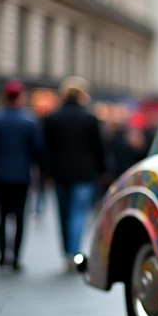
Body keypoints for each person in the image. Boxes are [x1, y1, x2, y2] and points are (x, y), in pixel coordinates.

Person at [43, 77, 106, 270]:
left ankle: (67, 253)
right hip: (84, 173)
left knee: (63, 213)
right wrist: (103, 170)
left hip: (60, 172)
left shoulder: (53, 118)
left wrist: (46, 172)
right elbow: (98, 148)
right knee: (78, 212)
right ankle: (74, 253)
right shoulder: (89, 118)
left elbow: (46, 148)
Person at [0, 81, 43, 270]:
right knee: (20, 217)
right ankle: (15, 257)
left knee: (2, 216)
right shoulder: (28, 121)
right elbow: (37, 150)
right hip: (21, 177)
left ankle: (1, 255)